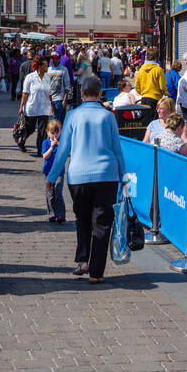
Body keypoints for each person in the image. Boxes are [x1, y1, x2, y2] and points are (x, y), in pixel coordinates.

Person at [46, 74, 128, 284]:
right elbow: (117, 149)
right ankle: (96, 272)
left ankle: (83, 260)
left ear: (81, 93)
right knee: (101, 222)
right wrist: (123, 176)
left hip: (78, 176)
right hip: (106, 174)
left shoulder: (72, 115)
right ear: (100, 94)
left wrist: (53, 176)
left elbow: (63, 150)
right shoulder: (107, 116)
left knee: (82, 218)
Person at [19, 57, 52, 155]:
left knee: (43, 131)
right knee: (30, 128)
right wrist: (21, 107)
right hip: (32, 107)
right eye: (45, 66)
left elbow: (50, 93)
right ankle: (21, 140)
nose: (47, 67)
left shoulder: (47, 77)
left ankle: (40, 150)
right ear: (39, 66)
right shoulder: (30, 77)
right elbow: (25, 93)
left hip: (44, 107)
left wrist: (52, 105)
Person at [41, 119, 66, 223]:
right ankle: (52, 214)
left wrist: (60, 145)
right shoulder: (46, 142)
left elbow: (65, 155)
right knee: (50, 193)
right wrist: (51, 147)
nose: (55, 135)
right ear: (48, 132)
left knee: (58, 192)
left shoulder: (62, 143)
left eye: (57, 132)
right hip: (48, 171)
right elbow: (45, 157)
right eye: (52, 132)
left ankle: (61, 215)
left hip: (59, 171)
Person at [133, 46, 167, 111]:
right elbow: (162, 86)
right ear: (156, 57)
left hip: (144, 98)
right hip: (155, 99)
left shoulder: (141, 69)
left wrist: (143, 93)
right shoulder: (158, 70)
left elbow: (136, 86)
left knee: (145, 120)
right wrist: (165, 93)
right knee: (154, 120)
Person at [45, 52, 71, 126]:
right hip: (49, 100)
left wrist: (65, 99)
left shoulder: (63, 70)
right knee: (53, 121)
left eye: (55, 58)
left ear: (59, 59)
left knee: (55, 120)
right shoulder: (48, 70)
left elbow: (67, 85)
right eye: (52, 58)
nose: (53, 60)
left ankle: (53, 136)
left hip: (59, 98)